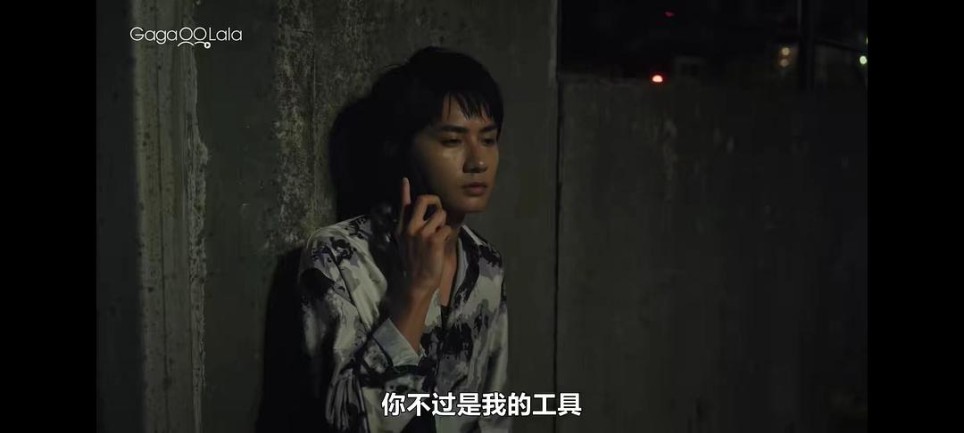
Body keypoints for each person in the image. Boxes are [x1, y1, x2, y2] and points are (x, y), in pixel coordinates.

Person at [297, 46, 509, 433]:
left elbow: (492, 413)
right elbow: (354, 424)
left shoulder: (485, 263)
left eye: (489, 139)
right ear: (402, 149)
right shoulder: (339, 257)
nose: (478, 161)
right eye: (452, 141)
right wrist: (415, 293)